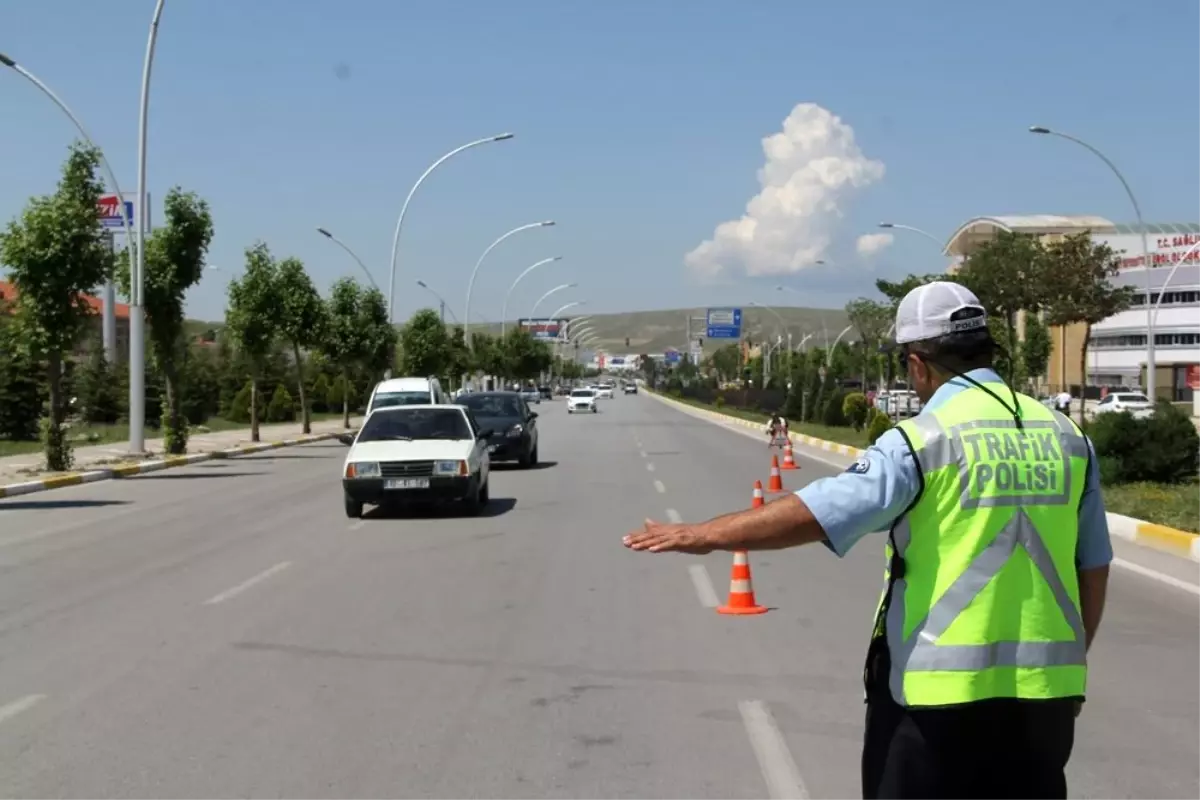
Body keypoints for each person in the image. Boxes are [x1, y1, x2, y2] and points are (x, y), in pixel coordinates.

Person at [624, 282, 1111, 800]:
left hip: (935, 704)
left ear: (918, 364)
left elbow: (819, 512)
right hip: (1046, 704)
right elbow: (1094, 565)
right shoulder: (1067, 437)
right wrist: (1071, 665)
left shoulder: (923, 440)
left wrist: (704, 535)